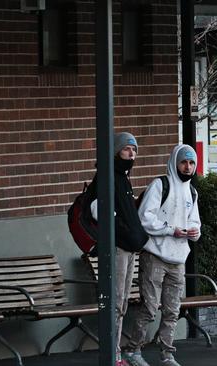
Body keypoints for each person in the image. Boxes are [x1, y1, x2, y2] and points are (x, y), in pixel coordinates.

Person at [124, 145, 201, 366]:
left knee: (172, 310)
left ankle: (167, 354)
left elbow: (195, 221)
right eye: (184, 162)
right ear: (175, 163)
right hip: (155, 256)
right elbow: (145, 218)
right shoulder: (160, 185)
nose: (188, 167)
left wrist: (194, 232)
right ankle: (133, 350)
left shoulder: (192, 192)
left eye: (191, 163)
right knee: (149, 308)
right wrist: (170, 230)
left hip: (178, 259)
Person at [90, 132, 149, 366]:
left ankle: (115, 353)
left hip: (129, 246)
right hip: (117, 247)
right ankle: (112, 354)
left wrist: (136, 236)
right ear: (116, 151)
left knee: (123, 300)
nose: (131, 154)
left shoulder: (123, 177)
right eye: (127, 149)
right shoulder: (106, 177)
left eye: (134, 150)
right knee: (115, 301)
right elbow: (100, 211)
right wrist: (126, 233)